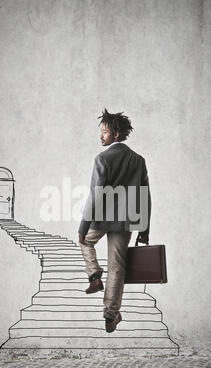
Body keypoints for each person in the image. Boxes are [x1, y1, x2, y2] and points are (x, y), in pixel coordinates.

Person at [78, 109, 151, 333]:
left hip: (101, 219)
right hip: (126, 221)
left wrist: (83, 225)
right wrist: (144, 228)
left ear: (116, 135)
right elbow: (145, 195)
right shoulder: (138, 160)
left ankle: (94, 275)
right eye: (101, 132)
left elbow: (97, 193)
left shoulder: (102, 158)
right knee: (117, 266)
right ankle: (110, 316)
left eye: (105, 132)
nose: (101, 136)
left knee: (85, 241)